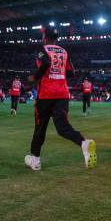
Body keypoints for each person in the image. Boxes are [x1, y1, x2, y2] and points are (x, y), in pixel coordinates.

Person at [24, 26, 96, 171]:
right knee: (62, 127)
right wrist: (58, 75)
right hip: (62, 94)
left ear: (45, 37)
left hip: (45, 95)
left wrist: (34, 78)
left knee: (40, 127)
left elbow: (45, 63)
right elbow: (71, 73)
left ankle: (35, 160)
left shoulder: (42, 51)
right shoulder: (63, 51)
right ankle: (83, 143)